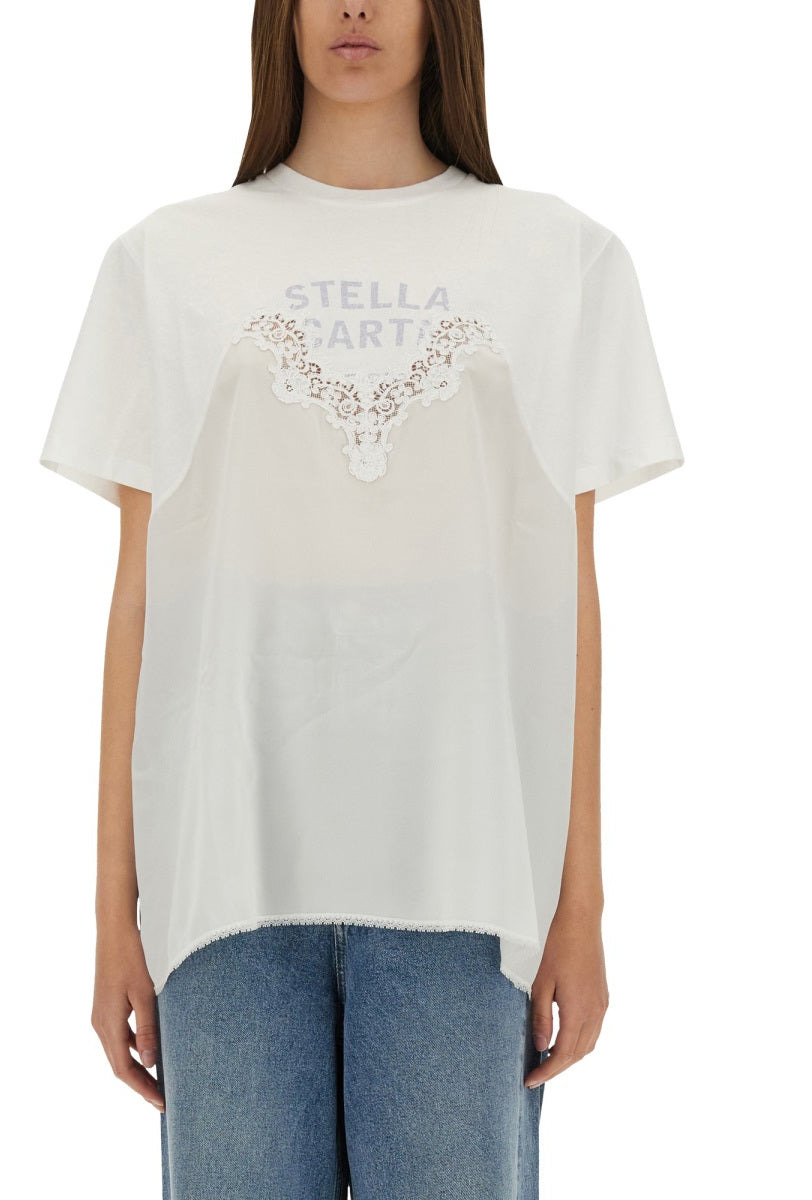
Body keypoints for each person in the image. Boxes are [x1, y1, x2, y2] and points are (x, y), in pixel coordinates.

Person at [38, 1, 685, 1197]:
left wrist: (581, 906)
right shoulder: (167, 262)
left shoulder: (560, 261)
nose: (354, 7)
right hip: (222, 875)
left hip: (467, 876)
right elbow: (139, 601)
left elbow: (568, 602)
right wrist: (110, 914)